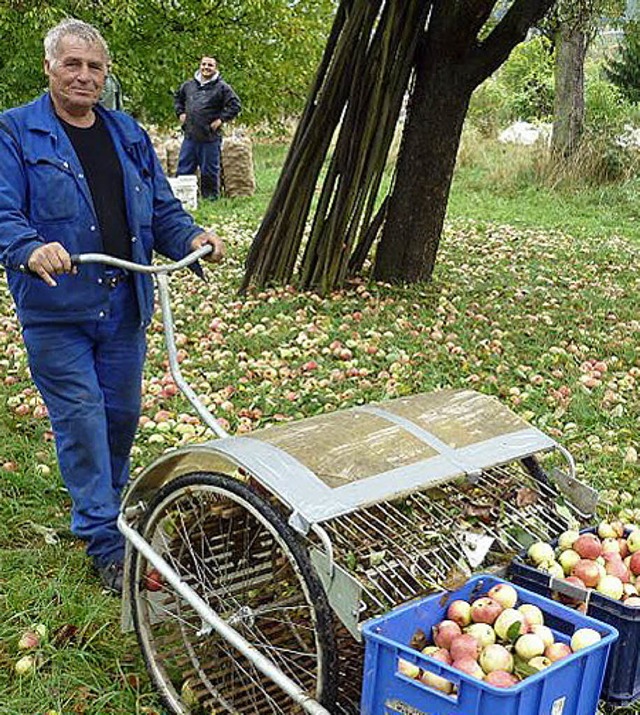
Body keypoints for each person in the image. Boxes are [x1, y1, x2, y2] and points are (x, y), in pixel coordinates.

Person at [0, 18, 224, 595]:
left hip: (124, 303)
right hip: (59, 310)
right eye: (71, 64)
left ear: (105, 75)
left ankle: (112, 508)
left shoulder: (126, 132)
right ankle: (103, 539)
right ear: (49, 67)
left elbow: (160, 209)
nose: (83, 76)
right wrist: (28, 247)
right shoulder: (15, 133)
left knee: (121, 417)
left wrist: (191, 238)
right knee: (81, 419)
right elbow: (3, 213)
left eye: (94, 66)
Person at [174, 56, 241, 199]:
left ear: (215, 68)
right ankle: (183, 199)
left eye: (210, 65)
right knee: (184, 170)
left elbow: (235, 105)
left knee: (209, 172)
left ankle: (210, 200)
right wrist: (181, 113)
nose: (206, 67)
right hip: (190, 136)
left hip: (210, 137)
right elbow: (178, 99)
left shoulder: (222, 87)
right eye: (203, 64)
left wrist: (221, 119)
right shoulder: (188, 86)